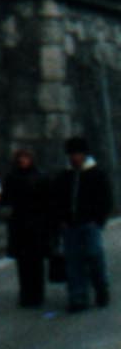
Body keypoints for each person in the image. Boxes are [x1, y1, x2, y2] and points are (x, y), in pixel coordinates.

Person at [57, 134, 114, 313]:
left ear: (84, 155)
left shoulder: (96, 174)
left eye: (78, 153)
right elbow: (56, 200)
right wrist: (61, 220)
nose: (75, 157)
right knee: (73, 262)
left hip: (89, 223)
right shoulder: (64, 176)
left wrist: (98, 220)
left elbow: (105, 199)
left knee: (94, 255)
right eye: (72, 154)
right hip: (70, 225)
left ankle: (100, 287)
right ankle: (77, 296)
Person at [4, 146, 59, 316]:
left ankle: (37, 294)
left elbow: (49, 201)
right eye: (20, 157)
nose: (23, 160)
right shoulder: (12, 177)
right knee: (23, 262)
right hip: (19, 224)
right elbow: (6, 198)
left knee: (36, 261)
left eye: (26, 157)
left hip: (37, 224)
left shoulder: (41, 177)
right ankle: (26, 293)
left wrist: (50, 225)